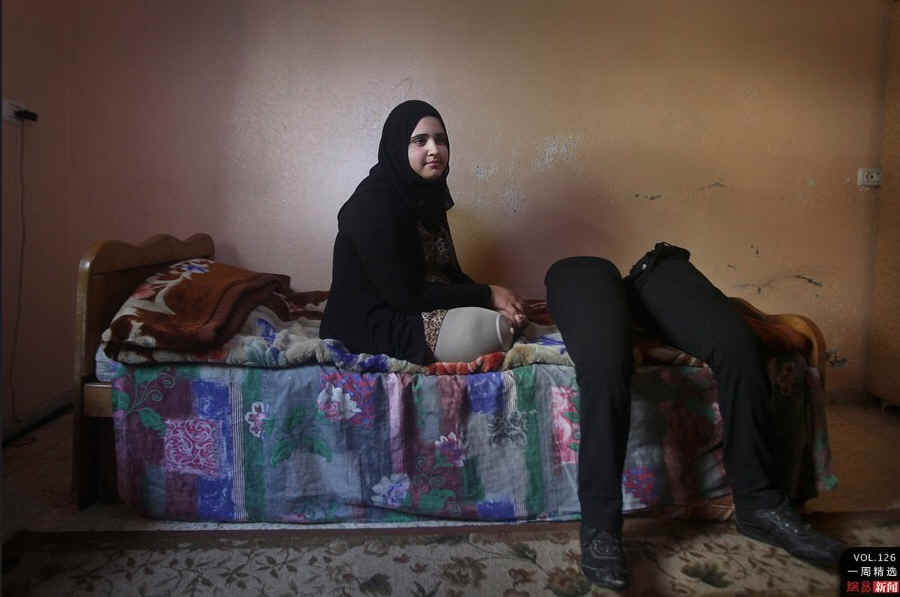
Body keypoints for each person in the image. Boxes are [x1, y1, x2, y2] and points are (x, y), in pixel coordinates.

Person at [544, 246, 847, 590]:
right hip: (583, 273)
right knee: (605, 366)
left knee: (740, 346)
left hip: (655, 270)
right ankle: (600, 527)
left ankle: (758, 505)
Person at [320, 100, 525, 365]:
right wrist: (487, 294)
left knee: (506, 316)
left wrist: (492, 301)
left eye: (441, 140)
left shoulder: (426, 197)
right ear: (398, 146)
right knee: (492, 329)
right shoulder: (371, 204)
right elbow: (404, 296)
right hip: (372, 322)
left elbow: (448, 274)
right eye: (420, 141)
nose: (434, 150)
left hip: (412, 306)